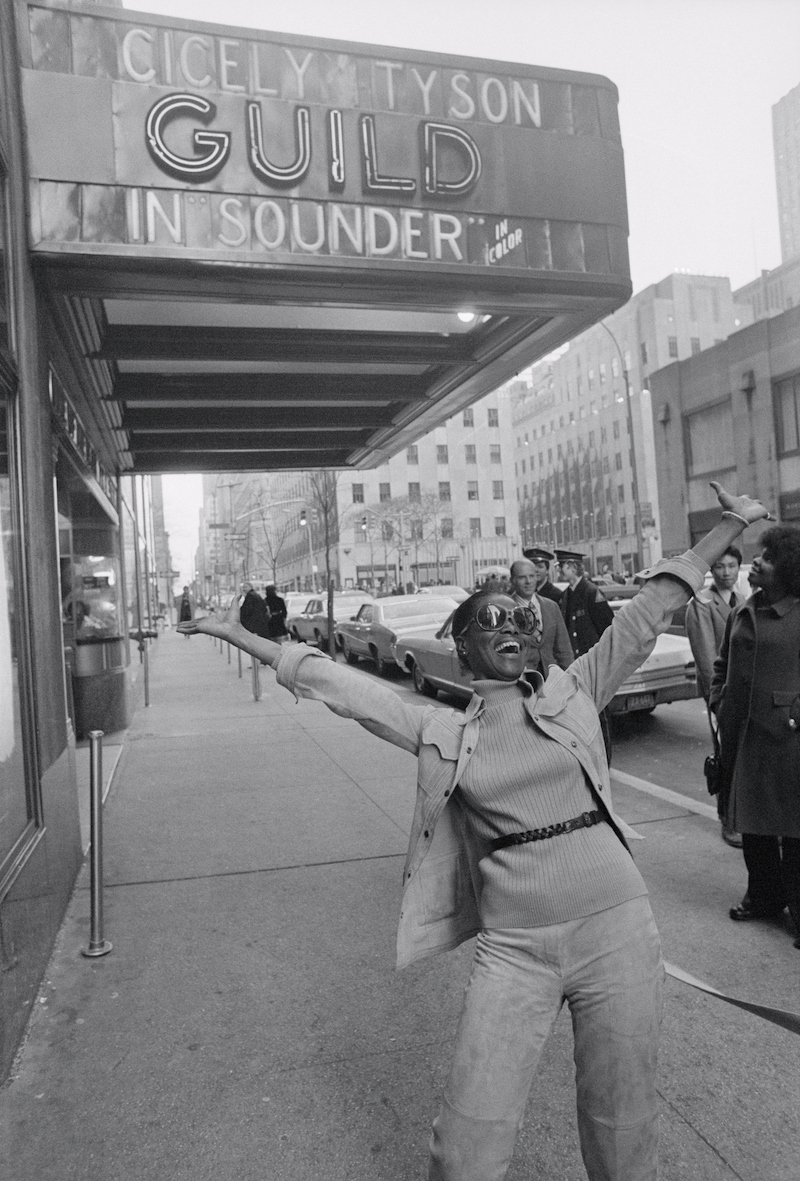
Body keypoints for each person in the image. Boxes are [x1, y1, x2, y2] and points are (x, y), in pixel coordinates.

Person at [178, 483, 770, 1181]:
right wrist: (236, 634)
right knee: (466, 1145)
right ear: (462, 651)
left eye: (516, 612)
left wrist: (730, 526)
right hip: (515, 947)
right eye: (490, 618)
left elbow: (648, 613)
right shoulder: (441, 730)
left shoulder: (574, 691)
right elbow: (338, 686)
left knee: (622, 1131)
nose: (512, 620)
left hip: (618, 927)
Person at [710, 527, 800, 950]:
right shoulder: (743, 611)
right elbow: (722, 662)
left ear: (789, 568)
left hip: (789, 739)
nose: (756, 562)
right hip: (744, 735)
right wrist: (717, 697)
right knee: (753, 823)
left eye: (766, 557)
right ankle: (763, 896)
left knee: (795, 829)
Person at [685, 545, 744, 847]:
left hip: (744, 692)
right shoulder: (702, 603)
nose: (725, 572)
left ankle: (744, 818)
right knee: (726, 756)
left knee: (744, 756)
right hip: (720, 692)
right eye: (719, 566)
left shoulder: (744, 600)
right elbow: (706, 657)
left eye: (731, 566)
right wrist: (716, 699)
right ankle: (728, 820)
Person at [558, 550, 616, 760]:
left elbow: (608, 629)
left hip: (593, 664)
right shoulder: (566, 595)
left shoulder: (591, 592)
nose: (560, 570)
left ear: (574, 567)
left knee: (599, 715)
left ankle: (604, 759)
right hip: (576, 666)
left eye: (563, 565)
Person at [509, 557, 573, 677]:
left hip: (552, 679)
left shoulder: (551, 607)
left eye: (532, 576)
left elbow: (564, 649)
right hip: (521, 681)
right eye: (522, 577)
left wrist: (569, 677)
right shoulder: (506, 609)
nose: (528, 581)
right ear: (512, 580)